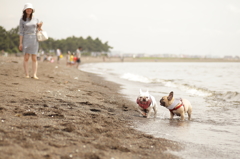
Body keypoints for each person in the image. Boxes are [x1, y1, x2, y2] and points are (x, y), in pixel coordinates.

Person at [18, 3, 42, 79]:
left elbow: (38, 30)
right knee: (26, 57)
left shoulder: (36, 19)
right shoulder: (22, 20)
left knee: (34, 57)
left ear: (32, 10)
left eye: (30, 9)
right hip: (26, 38)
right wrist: (20, 43)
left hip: (34, 38)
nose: (29, 10)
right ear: (25, 10)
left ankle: (34, 74)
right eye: (27, 9)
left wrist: (40, 26)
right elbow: (21, 32)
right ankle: (27, 74)